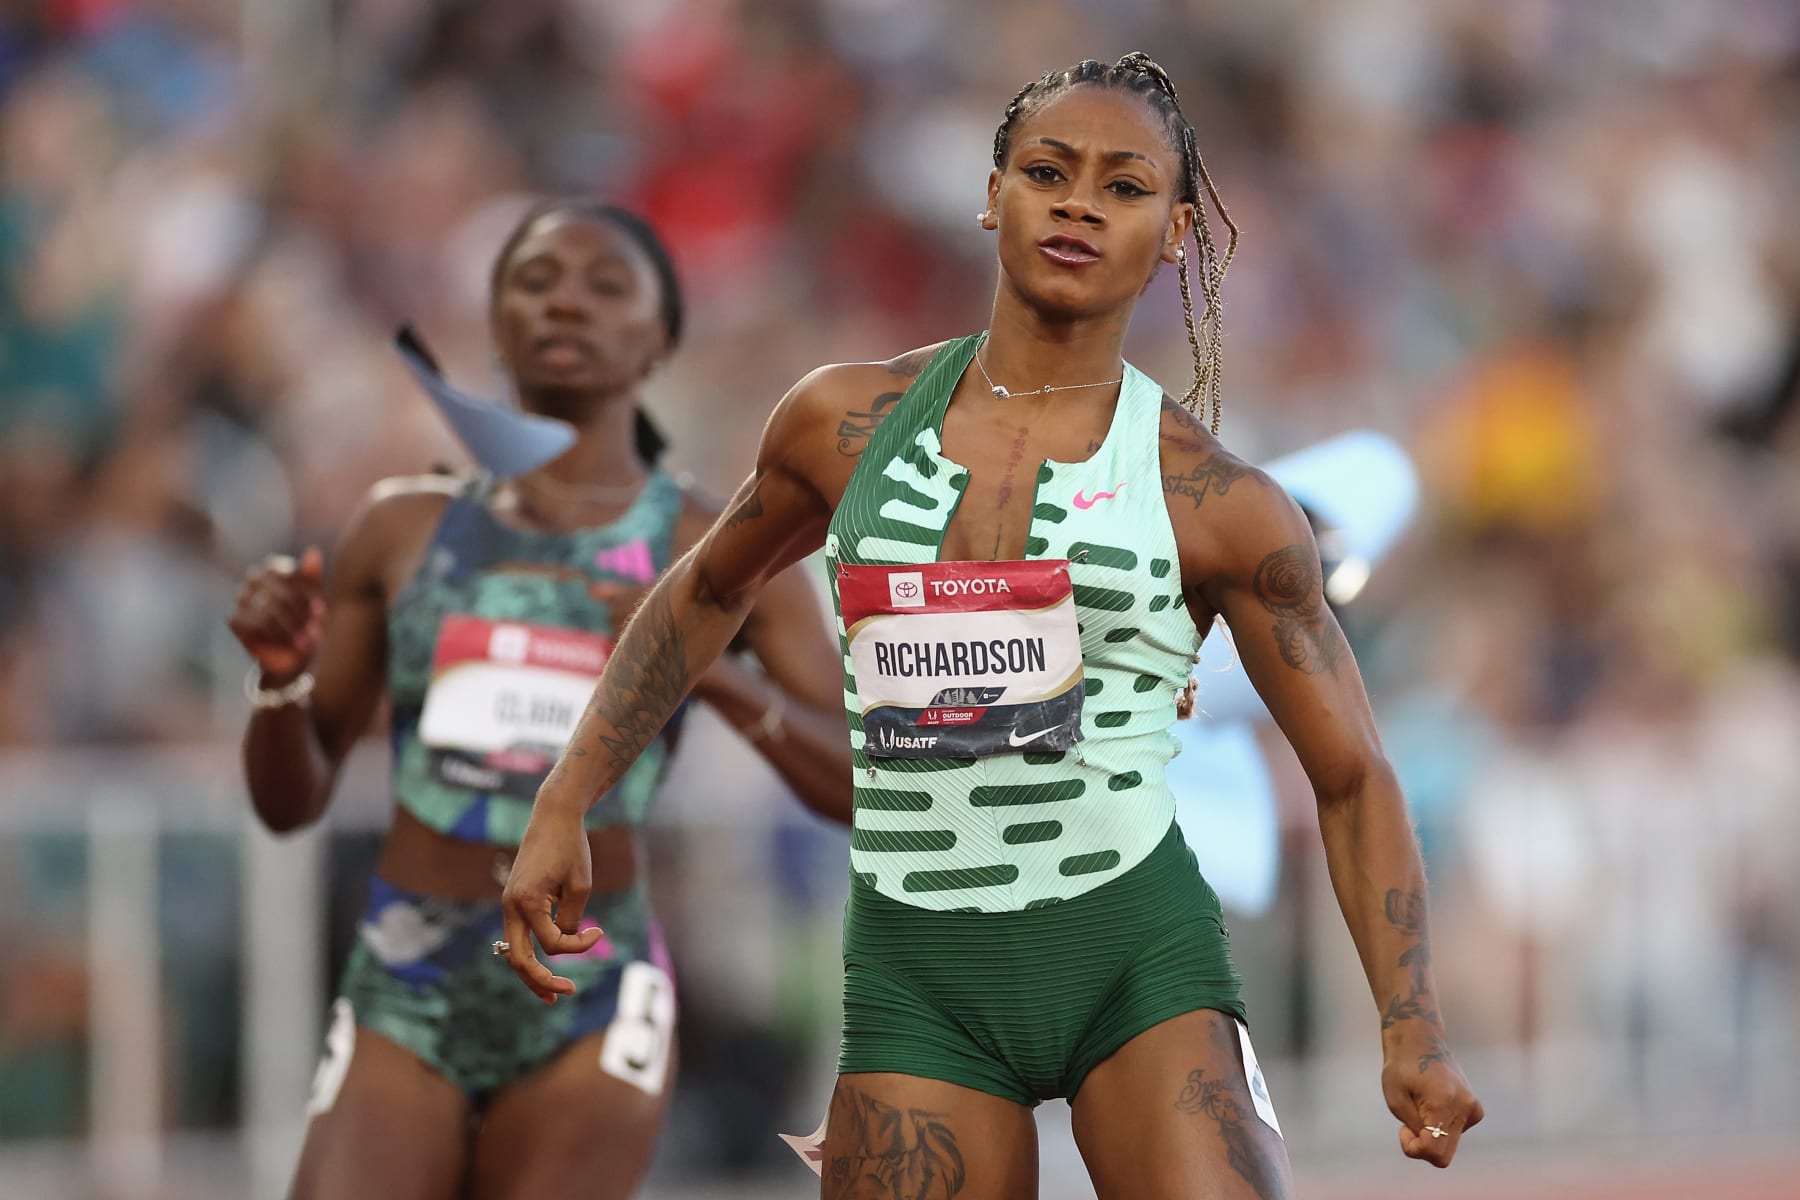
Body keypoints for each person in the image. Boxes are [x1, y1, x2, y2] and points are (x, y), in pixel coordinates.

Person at [500, 55, 1482, 1199]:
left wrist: (1412, 1024)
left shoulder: (1218, 505)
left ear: (1173, 233)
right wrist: (567, 796)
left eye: (1123, 187)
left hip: (1131, 956)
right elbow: (705, 593)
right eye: (1048, 171)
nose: (1078, 203)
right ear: (991, 194)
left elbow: (1354, 775)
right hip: (921, 974)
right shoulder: (841, 424)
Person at [228, 199, 853, 1200]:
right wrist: (277, 678)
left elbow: (858, 785)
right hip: (409, 965)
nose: (567, 301)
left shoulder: (721, 546)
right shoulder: (401, 530)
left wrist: (704, 665)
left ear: (659, 340)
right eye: (536, 281)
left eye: (606, 286)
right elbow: (289, 801)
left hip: (592, 986)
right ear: (496, 321)